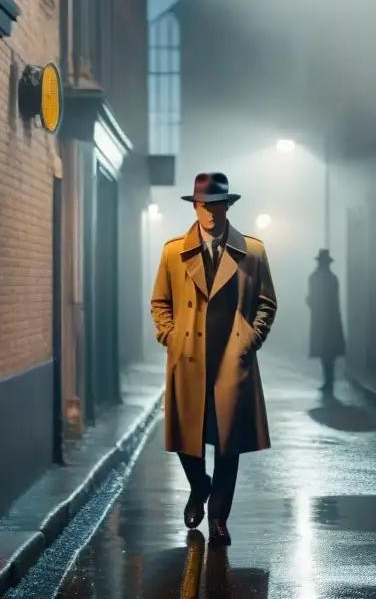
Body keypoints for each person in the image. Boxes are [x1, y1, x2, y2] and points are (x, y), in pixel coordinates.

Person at [150, 171, 277, 546]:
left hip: (229, 359)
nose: (208, 212)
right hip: (188, 355)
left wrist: (250, 339)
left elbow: (266, 302)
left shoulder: (252, 251)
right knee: (186, 438)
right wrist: (169, 335)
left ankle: (219, 516)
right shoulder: (174, 251)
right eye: (202, 205)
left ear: (227, 206)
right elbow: (160, 302)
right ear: (196, 207)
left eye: (215, 204)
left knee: (227, 443)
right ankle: (198, 487)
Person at [307, 248, 346, 395]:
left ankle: (328, 380)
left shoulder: (314, 277)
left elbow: (312, 299)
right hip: (331, 318)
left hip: (321, 319)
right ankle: (329, 380)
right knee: (330, 352)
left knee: (325, 352)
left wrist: (311, 302)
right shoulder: (332, 278)